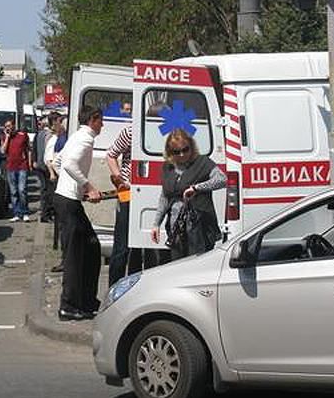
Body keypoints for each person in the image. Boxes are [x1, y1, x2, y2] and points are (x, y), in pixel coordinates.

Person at [53, 105, 103, 321]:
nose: (103, 124)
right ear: (92, 119)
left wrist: (74, 188)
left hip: (69, 199)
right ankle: (68, 305)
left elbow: (57, 161)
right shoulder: (85, 139)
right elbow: (70, 164)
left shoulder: (76, 136)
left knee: (92, 248)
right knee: (74, 256)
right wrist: (88, 187)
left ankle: (86, 301)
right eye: (100, 120)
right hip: (68, 202)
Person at [151, 128, 226, 261]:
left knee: (198, 267)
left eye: (185, 149)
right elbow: (165, 197)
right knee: (178, 267)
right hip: (176, 229)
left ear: (191, 146)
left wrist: (197, 188)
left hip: (199, 229)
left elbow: (222, 180)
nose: (181, 154)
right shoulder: (167, 167)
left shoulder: (203, 162)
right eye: (176, 152)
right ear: (170, 152)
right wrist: (156, 224)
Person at [106, 125, 157, 286]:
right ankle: (114, 287)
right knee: (122, 245)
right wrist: (120, 180)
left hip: (151, 193)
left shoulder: (160, 131)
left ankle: (142, 288)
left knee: (148, 246)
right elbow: (111, 155)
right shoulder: (130, 131)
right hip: (128, 193)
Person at [1, 119, 32, 222]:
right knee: (13, 191)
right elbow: (3, 150)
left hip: (22, 166)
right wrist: (7, 138)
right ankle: (17, 213)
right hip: (10, 167)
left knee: (22, 190)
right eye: (6, 126)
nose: (8, 128)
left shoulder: (23, 135)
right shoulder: (5, 137)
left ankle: (25, 212)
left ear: (14, 126)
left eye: (9, 126)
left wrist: (30, 164)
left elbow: (28, 150)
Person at [43, 113, 63, 223]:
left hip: (55, 171)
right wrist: (52, 173)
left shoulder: (58, 138)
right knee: (51, 194)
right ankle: (47, 215)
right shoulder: (53, 139)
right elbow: (48, 158)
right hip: (53, 171)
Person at [33, 116, 52, 222]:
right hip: (45, 167)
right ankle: (45, 214)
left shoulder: (39, 134)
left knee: (44, 190)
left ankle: (45, 213)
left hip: (40, 165)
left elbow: (34, 149)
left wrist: (35, 161)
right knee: (47, 190)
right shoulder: (48, 135)